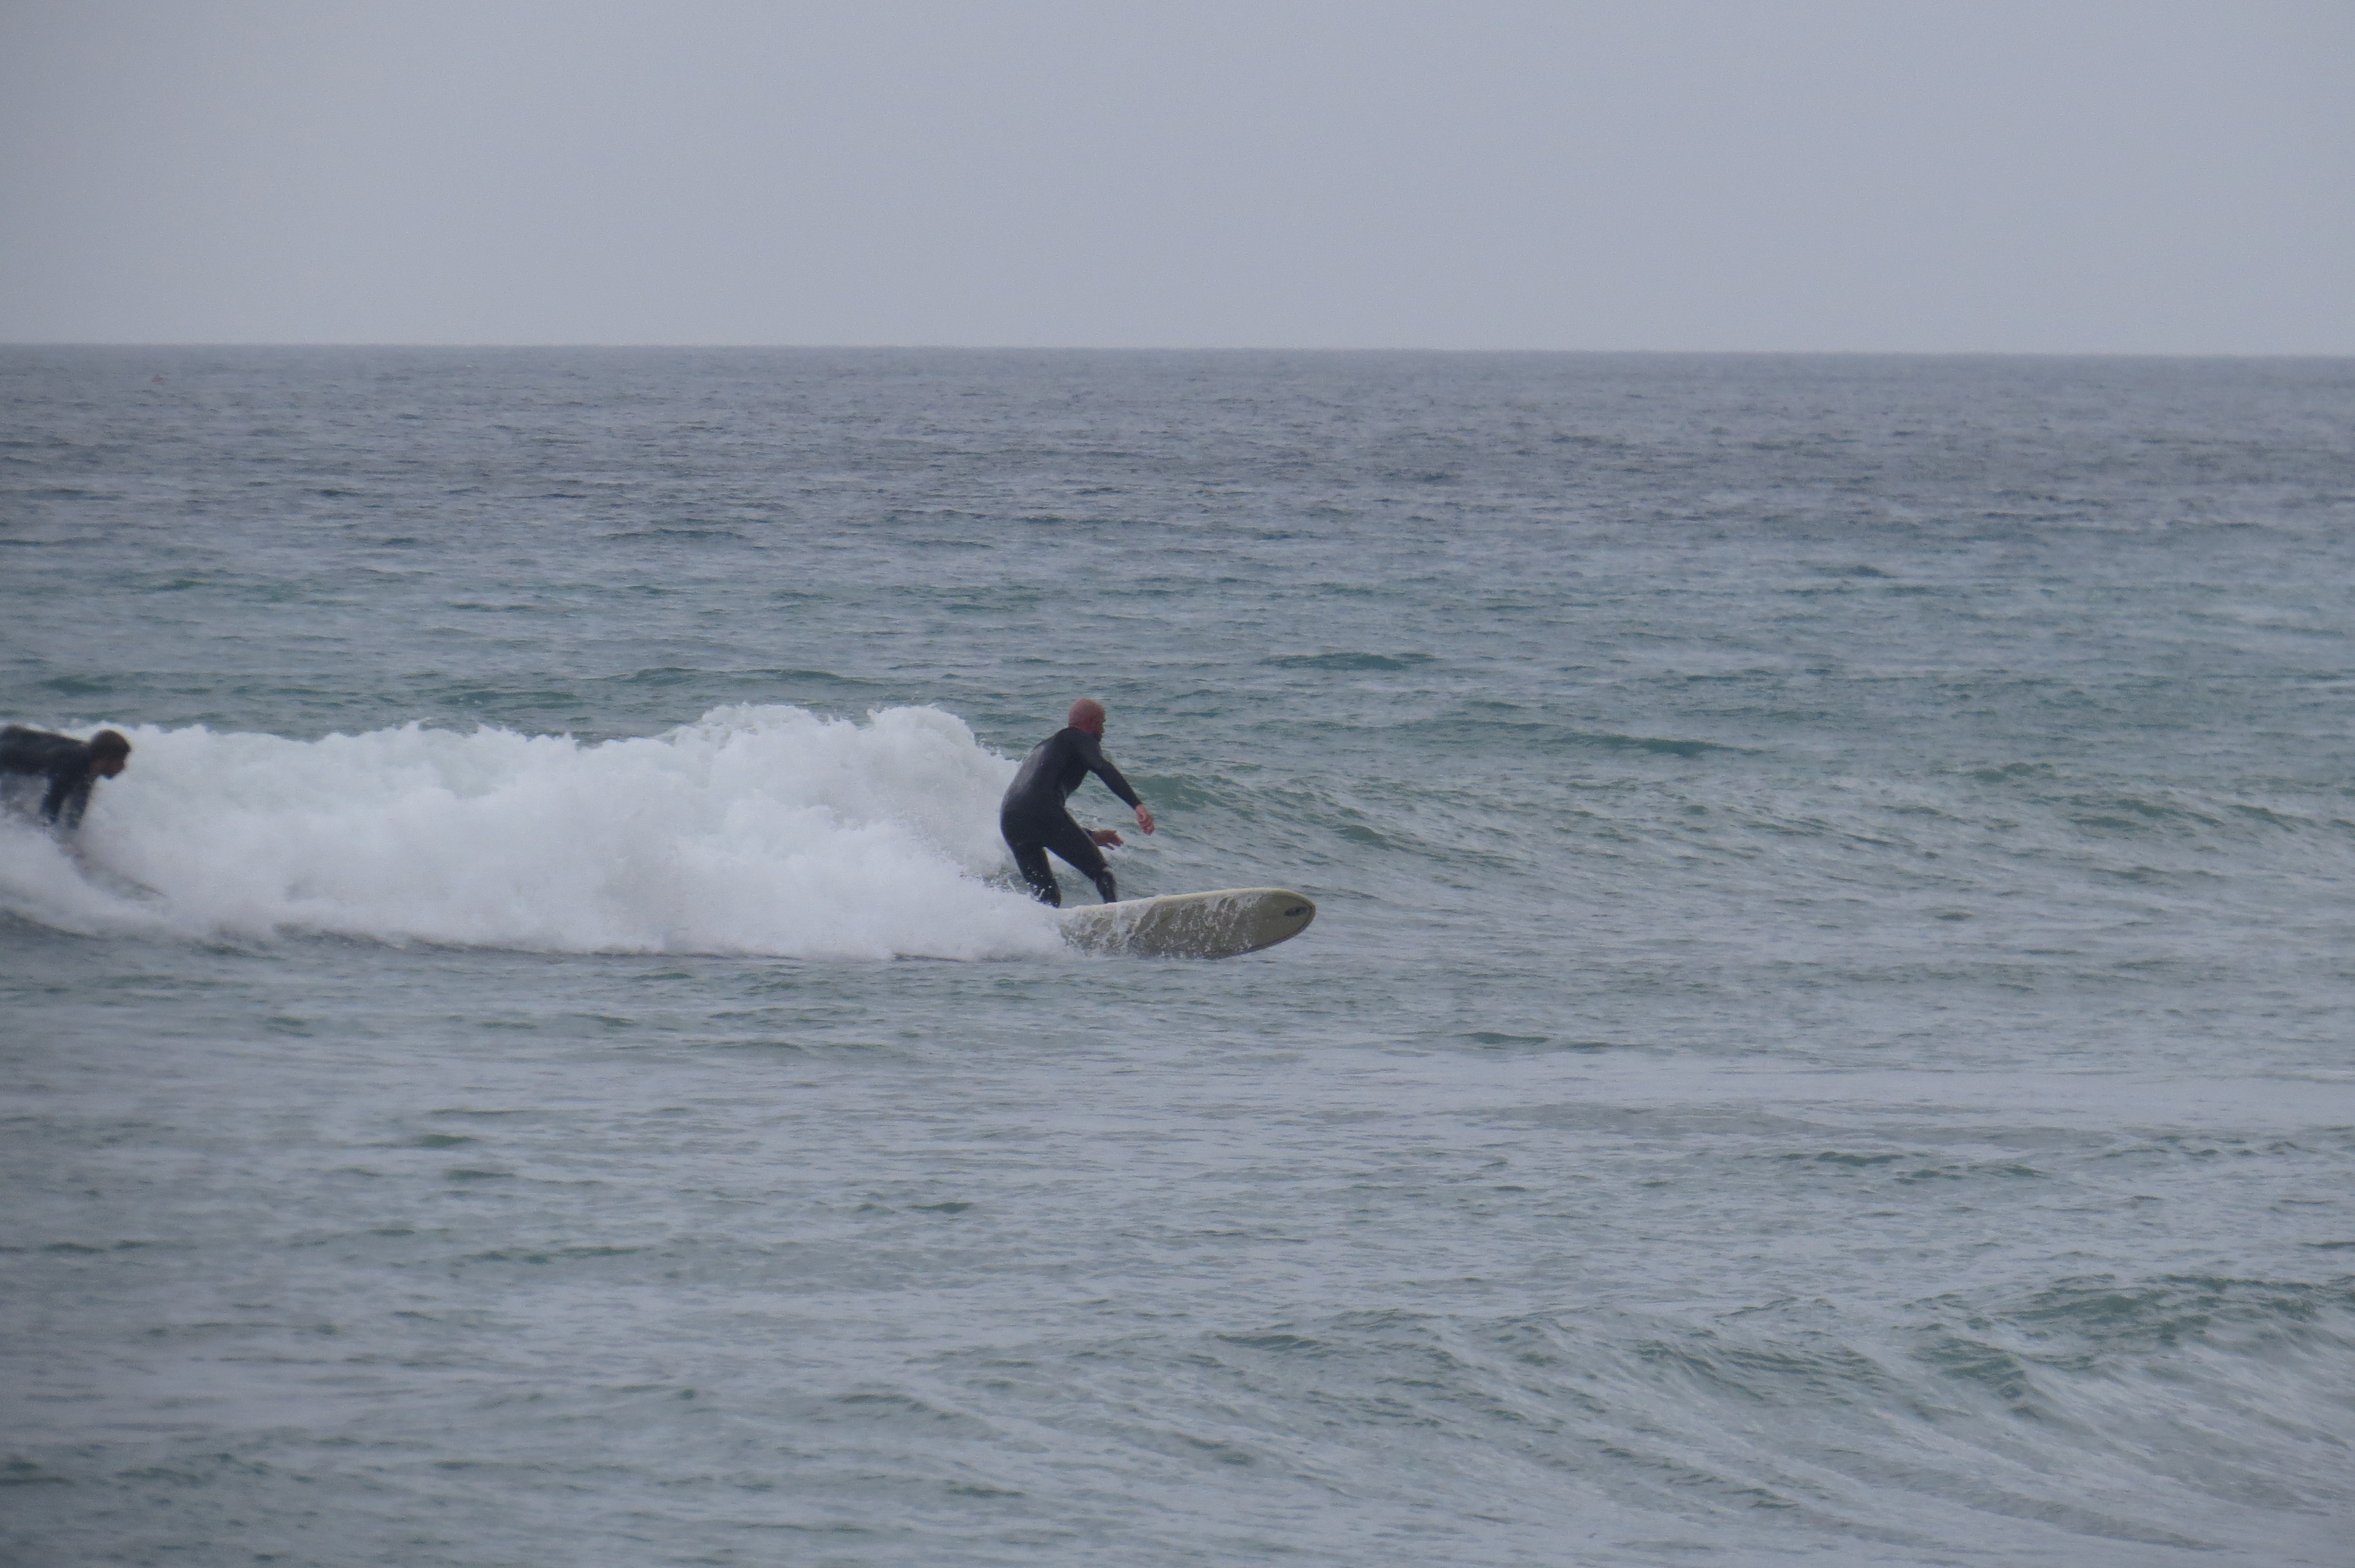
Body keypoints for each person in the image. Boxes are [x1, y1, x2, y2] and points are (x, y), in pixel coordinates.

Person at [1000, 699, 1155, 906]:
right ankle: (1116, 921)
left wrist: (1089, 836)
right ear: (1091, 723)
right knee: (1103, 873)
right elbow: (1102, 767)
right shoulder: (1076, 737)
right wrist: (1137, 805)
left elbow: (1037, 817)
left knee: (1047, 896)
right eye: (1103, 723)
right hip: (1041, 811)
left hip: (1010, 820)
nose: (1103, 730)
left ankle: (1042, 933)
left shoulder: (1044, 748)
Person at [0, 726, 131, 832]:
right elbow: (50, 809)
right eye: (121, 761)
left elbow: (75, 812)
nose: (123, 767)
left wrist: (71, 840)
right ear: (106, 759)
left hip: (15, 738)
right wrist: (51, 848)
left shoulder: (91, 765)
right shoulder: (72, 766)